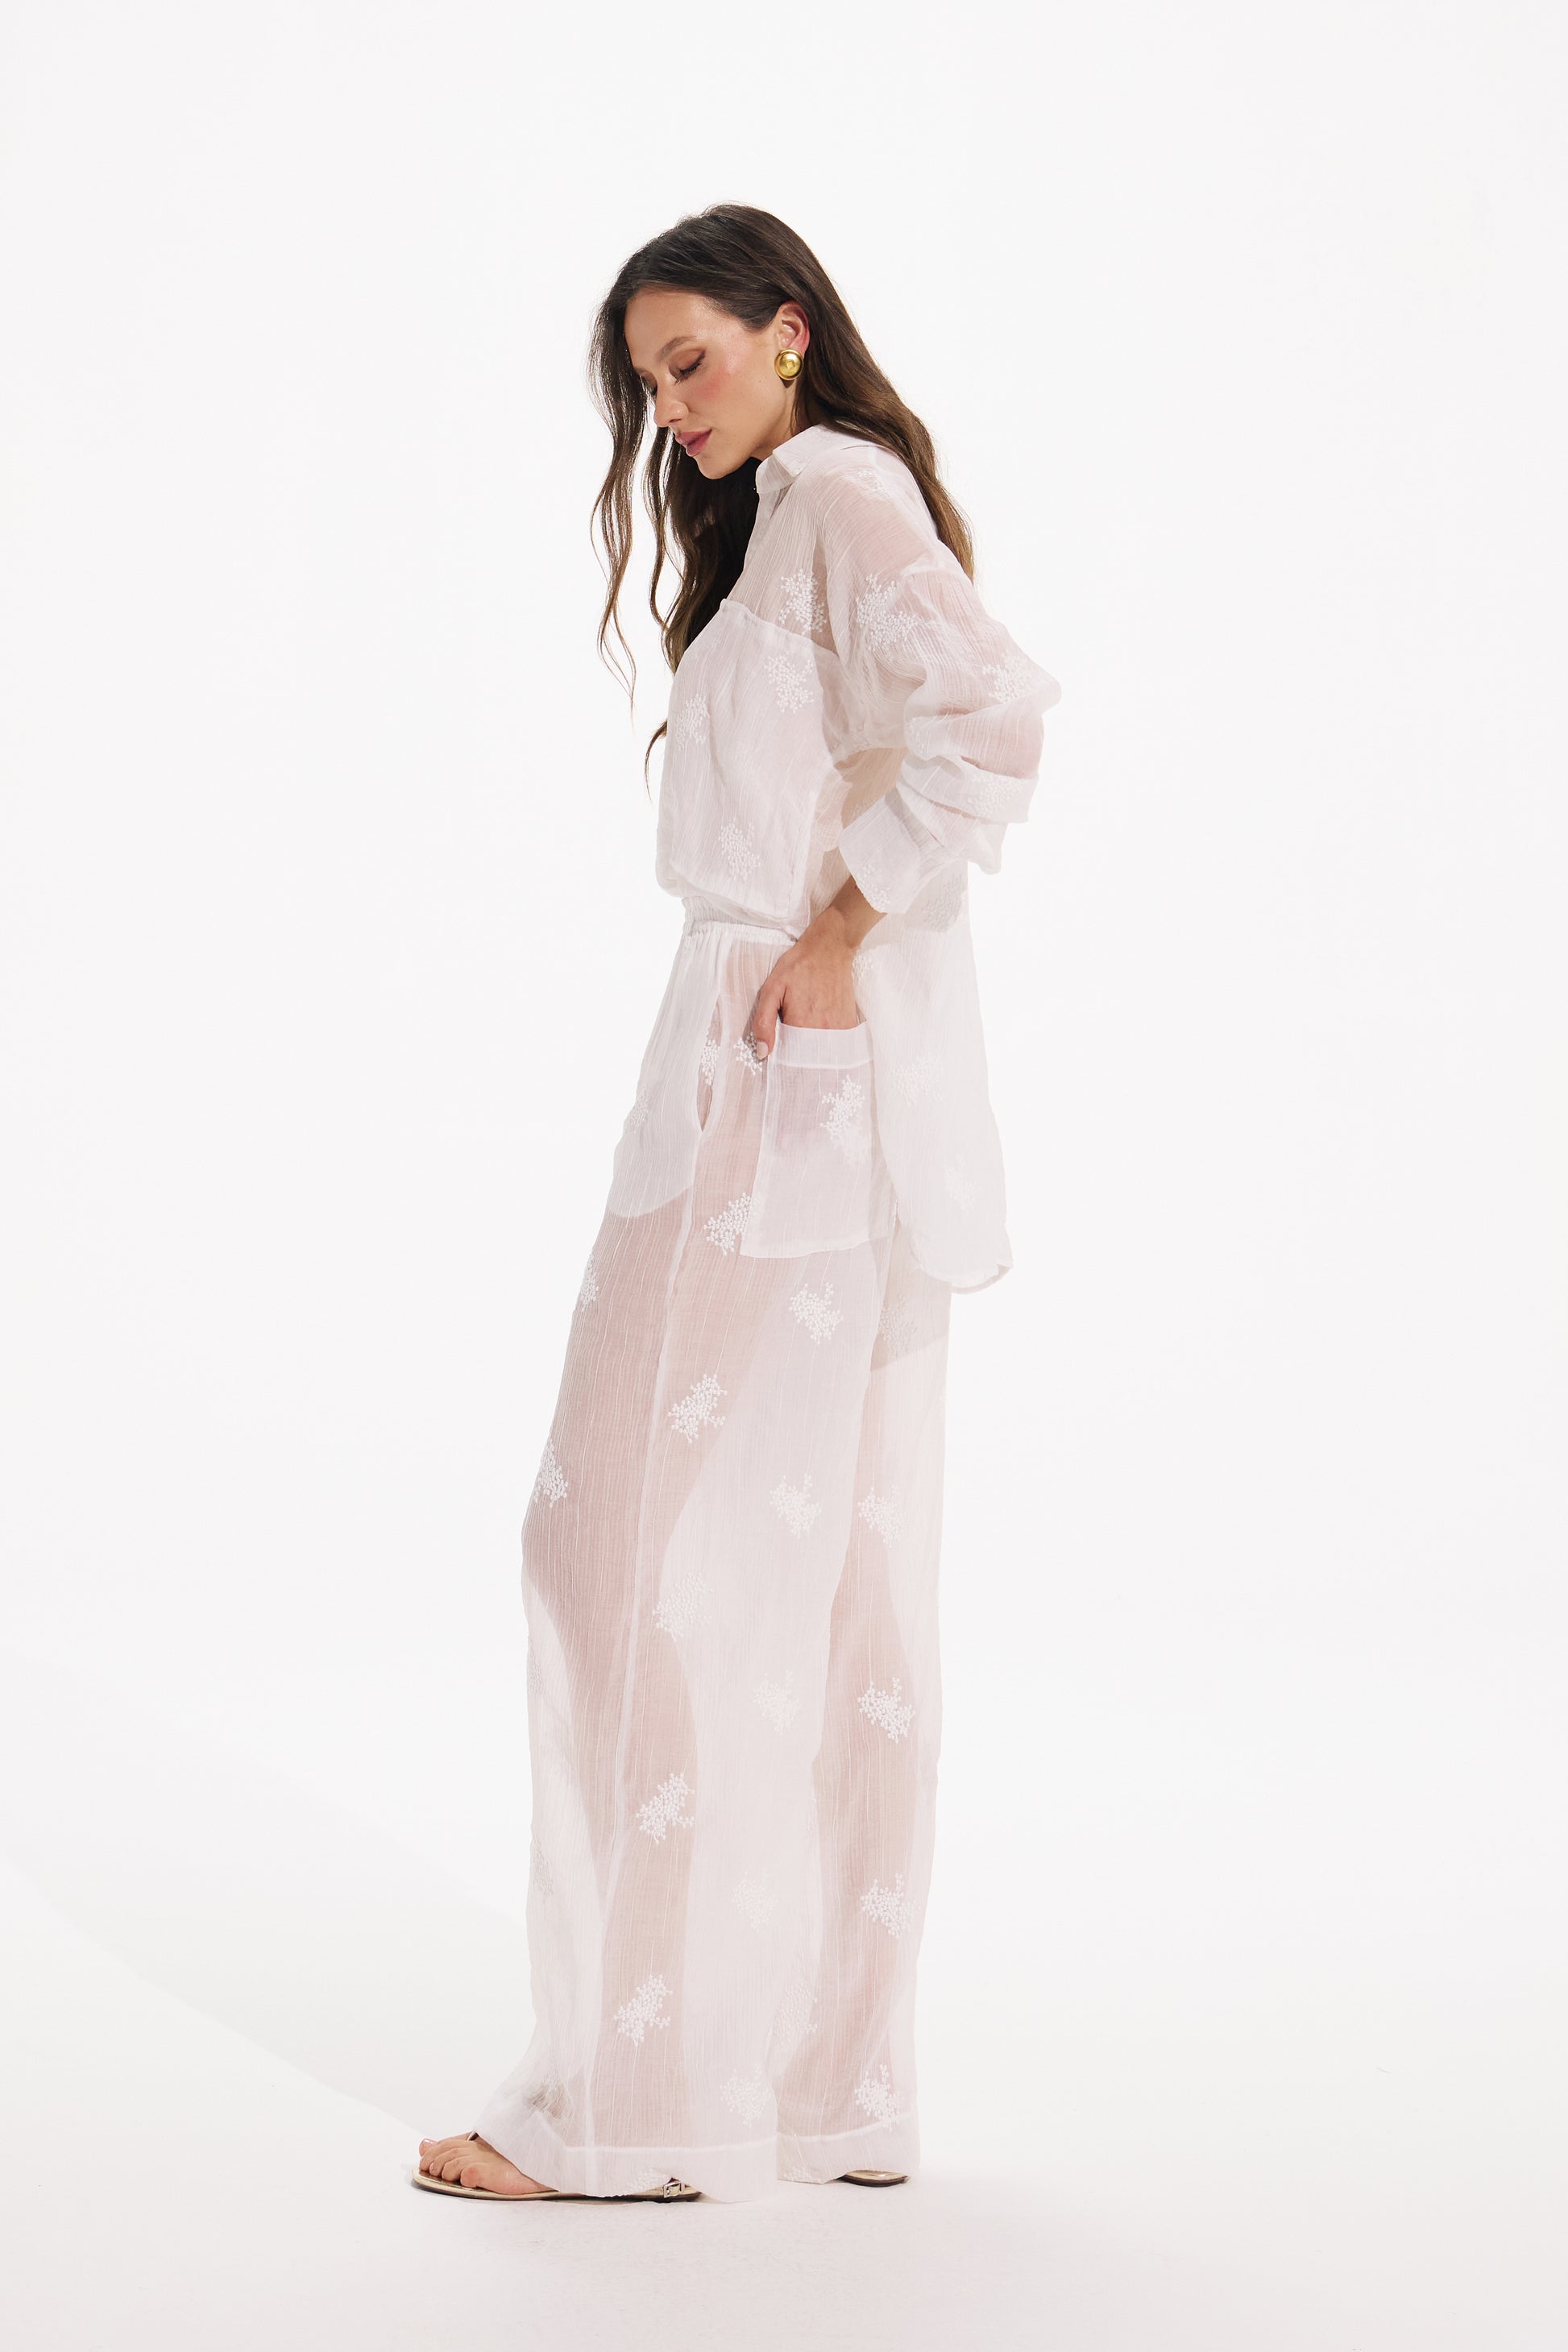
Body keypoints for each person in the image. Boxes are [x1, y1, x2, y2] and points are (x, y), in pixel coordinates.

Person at [415, 203, 1060, 2205]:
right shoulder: (792, 512)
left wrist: (841, 928)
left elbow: (995, 716)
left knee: (610, 1540)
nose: (668, 408)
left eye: (688, 360)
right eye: (645, 381)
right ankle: (825, 2090)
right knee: (829, 1566)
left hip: (780, 1057)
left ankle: (626, 2103)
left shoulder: (837, 491)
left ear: (788, 331)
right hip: (789, 1062)